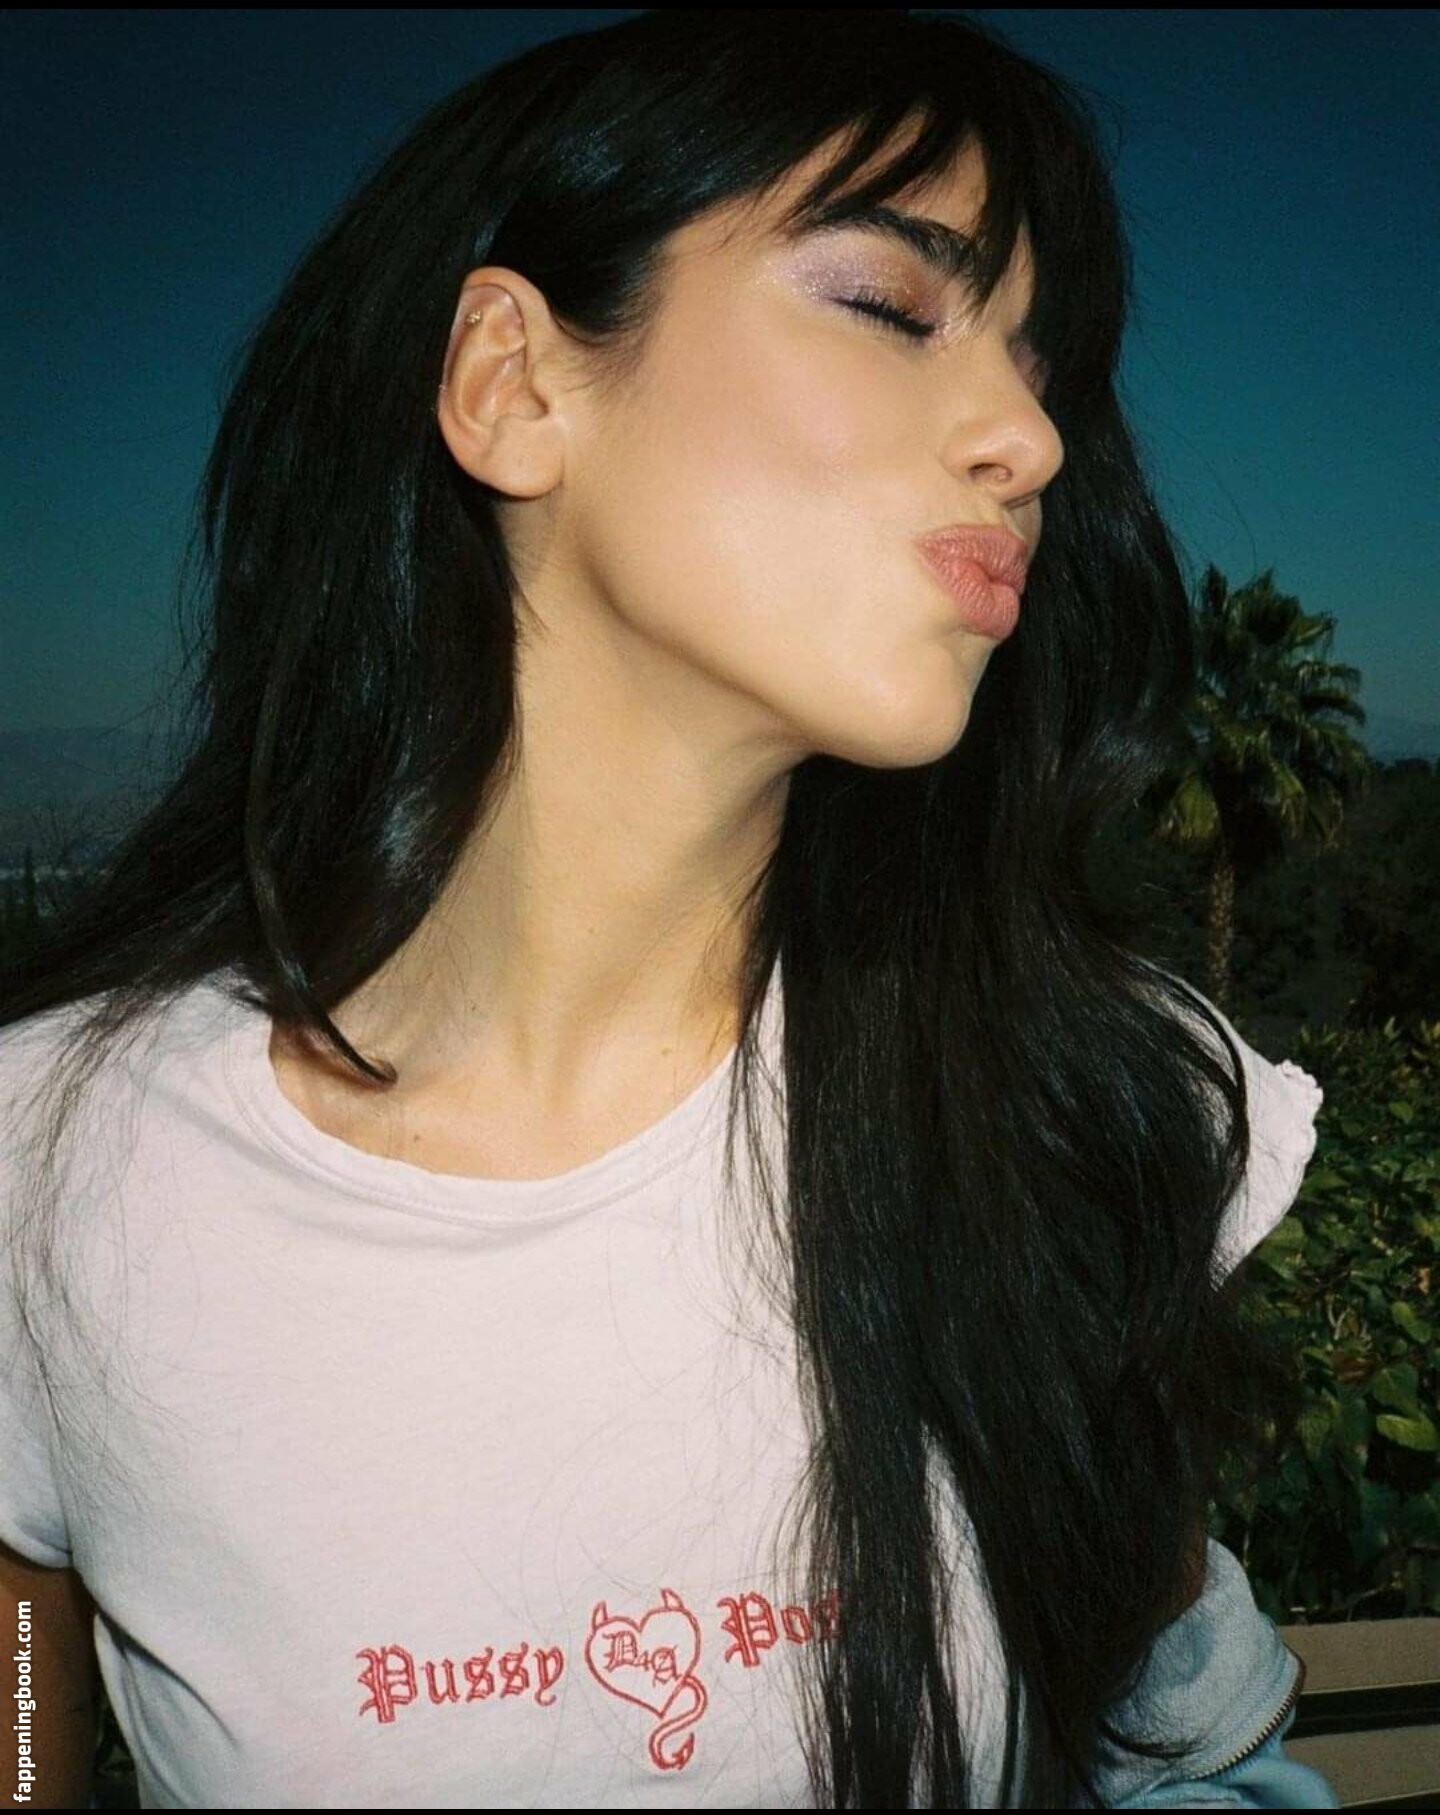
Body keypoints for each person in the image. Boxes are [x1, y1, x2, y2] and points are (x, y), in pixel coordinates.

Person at [1, 10, 1342, 1808]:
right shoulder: (50, 1172)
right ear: (514, 383)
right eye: (890, 305)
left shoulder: (1071, 1104)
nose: (1029, 436)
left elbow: (1192, 1748)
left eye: (1043, 370)